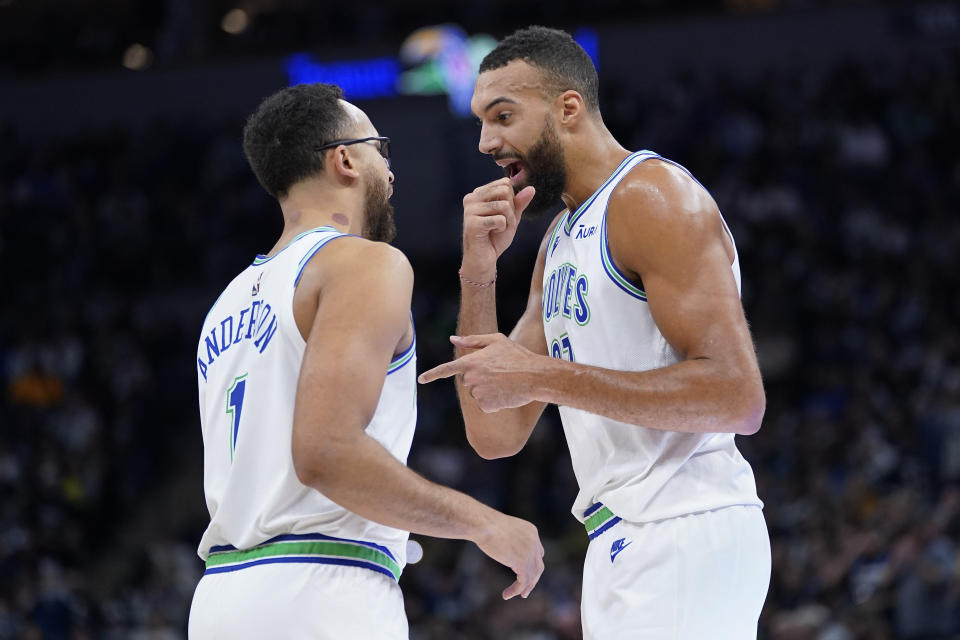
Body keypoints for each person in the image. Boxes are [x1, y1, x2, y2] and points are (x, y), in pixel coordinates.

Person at [418, 27, 771, 639]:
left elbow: (737, 397)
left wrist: (543, 376)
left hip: (684, 523)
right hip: (621, 538)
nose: (486, 141)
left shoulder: (653, 196)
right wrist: (478, 274)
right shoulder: (557, 240)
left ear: (568, 108)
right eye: (480, 122)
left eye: (503, 116)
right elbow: (495, 430)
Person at [188, 82, 544, 640]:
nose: (392, 172)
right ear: (346, 160)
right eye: (382, 150)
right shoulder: (363, 262)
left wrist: (477, 269)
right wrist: (485, 523)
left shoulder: (227, 301)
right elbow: (326, 452)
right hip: (322, 590)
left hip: (221, 597)